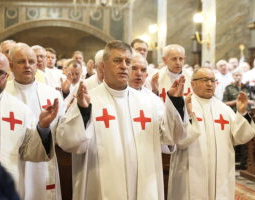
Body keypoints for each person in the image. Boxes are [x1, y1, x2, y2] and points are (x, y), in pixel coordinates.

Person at [56, 40, 188, 200]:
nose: (124, 66)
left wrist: (175, 102)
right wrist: (84, 113)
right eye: (117, 61)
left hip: (144, 186)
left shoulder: (150, 102)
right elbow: (68, 142)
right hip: (101, 187)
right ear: (103, 67)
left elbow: (172, 137)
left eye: (128, 62)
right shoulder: (88, 99)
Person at [167, 67, 255, 200]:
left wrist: (243, 113)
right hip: (191, 169)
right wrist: (189, 115)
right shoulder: (185, 104)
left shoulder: (224, 109)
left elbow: (240, 136)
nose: (209, 84)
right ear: (193, 84)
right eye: (204, 80)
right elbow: (179, 139)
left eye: (212, 80)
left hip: (220, 170)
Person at [0, 50, 58, 199]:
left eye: (0, 72)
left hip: (8, 188)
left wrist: (42, 128)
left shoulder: (20, 110)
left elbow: (30, 152)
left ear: (7, 75)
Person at [223, 68, 255, 170]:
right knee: (233, 139)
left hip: (246, 116)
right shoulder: (229, 88)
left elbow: (254, 102)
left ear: (242, 76)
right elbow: (224, 102)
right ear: (233, 76)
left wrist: (246, 101)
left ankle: (244, 163)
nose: (238, 77)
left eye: (239, 75)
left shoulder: (247, 87)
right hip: (233, 115)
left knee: (246, 138)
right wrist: (235, 102)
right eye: (236, 75)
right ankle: (232, 162)